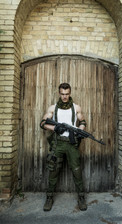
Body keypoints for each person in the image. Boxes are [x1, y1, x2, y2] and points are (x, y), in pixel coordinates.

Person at [40, 83, 87, 211]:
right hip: (58, 143)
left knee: (77, 171)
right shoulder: (53, 108)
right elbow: (43, 123)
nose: (65, 97)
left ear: (70, 93)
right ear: (59, 93)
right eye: (62, 94)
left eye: (67, 94)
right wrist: (55, 127)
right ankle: (49, 198)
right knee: (53, 170)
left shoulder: (75, 107)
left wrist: (79, 130)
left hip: (72, 144)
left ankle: (81, 197)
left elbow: (83, 121)